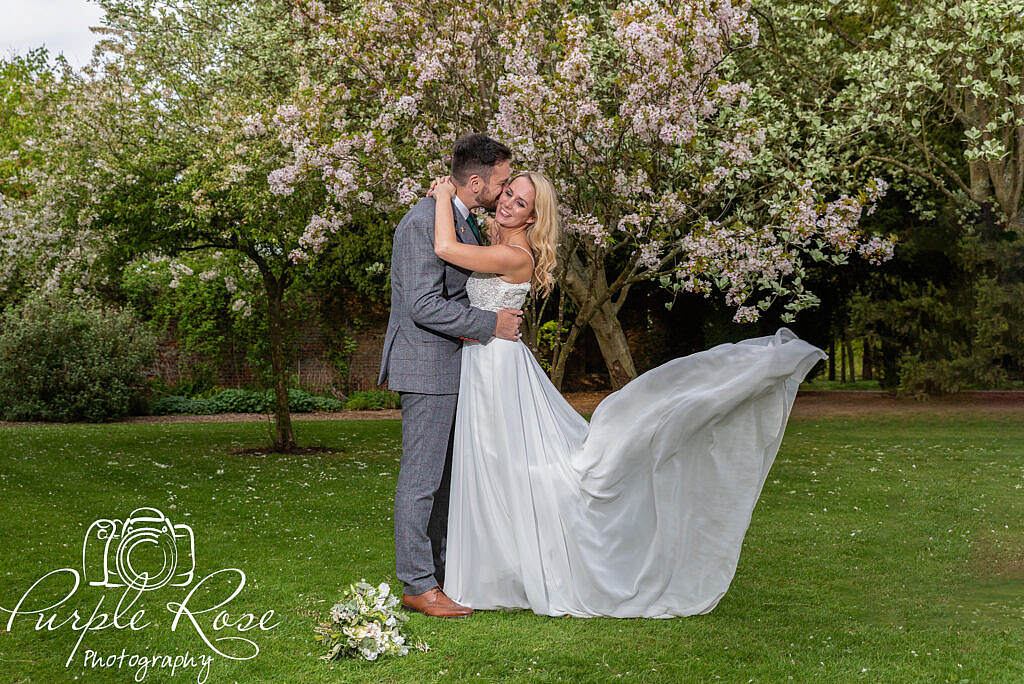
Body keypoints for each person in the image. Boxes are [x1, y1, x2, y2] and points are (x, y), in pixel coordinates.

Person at [427, 170, 828, 618]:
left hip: (496, 367)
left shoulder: (515, 254)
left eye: (521, 202)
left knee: (504, 462)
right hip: (485, 358)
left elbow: (444, 248)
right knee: (490, 465)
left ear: (533, 216)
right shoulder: (494, 238)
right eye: (508, 193)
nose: (507, 203)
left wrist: (444, 194)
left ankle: (513, 569)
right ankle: (491, 570)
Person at [377, 133, 524, 618]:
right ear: (477, 181)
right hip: (426, 364)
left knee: (444, 478)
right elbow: (422, 305)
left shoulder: (465, 223)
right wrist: (490, 325)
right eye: (502, 184)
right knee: (421, 479)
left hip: (455, 364)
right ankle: (418, 585)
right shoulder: (423, 222)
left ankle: (438, 571)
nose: (504, 193)